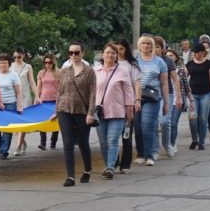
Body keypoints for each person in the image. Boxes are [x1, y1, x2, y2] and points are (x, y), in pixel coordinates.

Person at [92, 43, 135, 178]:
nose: (110, 55)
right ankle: (108, 165)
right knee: (103, 141)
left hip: (117, 111)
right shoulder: (95, 70)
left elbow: (128, 90)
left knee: (113, 140)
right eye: (108, 52)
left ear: (117, 56)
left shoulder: (122, 71)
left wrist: (129, 107)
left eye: (113, 53)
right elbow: (90, 91)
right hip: (99, 111)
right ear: (102, 55)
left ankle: (110, 167)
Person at [56, 43, 95, 186]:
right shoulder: (65, 71)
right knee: (67, 142)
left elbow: (92, 94)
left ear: (82, 53)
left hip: (81, 111)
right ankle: (70, 176)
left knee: (83, 142)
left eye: (76, 52)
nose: (73, 55)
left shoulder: (89, 72)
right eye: (71, 53)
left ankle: (88, 170)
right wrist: (56, 111)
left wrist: (90, 113)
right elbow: (60, 92)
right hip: (64, 110)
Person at [133, 37, 168, 166]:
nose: (146, 45)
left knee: (147, 124)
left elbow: (164, 84)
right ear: (139, 45)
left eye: (149, 43)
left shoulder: (159, 62)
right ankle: (140, 153)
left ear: (152, 46)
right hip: (136, 97)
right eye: (143, 43)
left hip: (152, 97)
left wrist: (166, 103)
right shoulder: (134, 61)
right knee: (137, 126)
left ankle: (149, 155)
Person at [184, 43, 210, 150]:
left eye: (198, 52)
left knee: (203, 118)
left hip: (206, 94)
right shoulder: (189, 64)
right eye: (194, 52)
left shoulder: (209, 64)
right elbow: (184, 78)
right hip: (193, 94)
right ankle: (195, 139)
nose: (195, 54)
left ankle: (202, 141)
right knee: (193, 117)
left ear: (203, 53)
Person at [0, 53, 21, 159]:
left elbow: (18, 92)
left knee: (7, 128)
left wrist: (19, 106)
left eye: (5, 62)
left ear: (9, 64)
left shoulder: (13, 75)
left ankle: (3, 151)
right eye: (1, 62)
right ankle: (2, 145)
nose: (3, 65)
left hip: (10, 103)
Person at [9, 48, 37, 154]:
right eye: (15, 57)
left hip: (25, 97)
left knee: (22, 122)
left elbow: (32, 82)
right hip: (13, 97)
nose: (17, 59)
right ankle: (23, 142)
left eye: (19, 57)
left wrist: (37, 96)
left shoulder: (28, 67)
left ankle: (17, 147)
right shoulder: (10, 66)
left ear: (23, 56)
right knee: (16, 123)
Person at [34, 53, 60, 151]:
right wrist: (37, 97)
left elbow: (61, 87)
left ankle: (53, 143)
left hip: (55, 100)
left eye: (49, 62)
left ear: (53, 62)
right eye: (45, 62)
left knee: (54, 122)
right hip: (43, 100)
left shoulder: (59, 73)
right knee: (43, 121)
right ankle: (42, 143)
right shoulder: (41, 73)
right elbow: (38, 86)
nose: (47, 64)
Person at [164, 48, 186, 156]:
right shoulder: (163, 68)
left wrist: (187, 98)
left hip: (177, 99)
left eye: (171, 55)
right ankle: (166, 143)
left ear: (176, 58)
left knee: (173, 122)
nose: (169, 57)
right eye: (167, 55)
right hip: (166, 99)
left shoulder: (181, 70)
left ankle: (172, 143)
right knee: (165, 123)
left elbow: (186, 86)